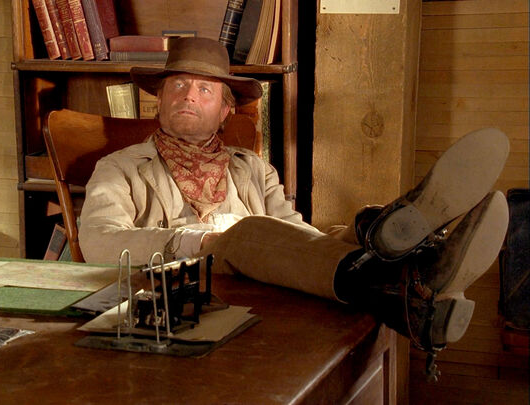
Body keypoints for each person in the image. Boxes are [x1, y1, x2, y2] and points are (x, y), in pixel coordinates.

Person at [78, 37, 509, 377]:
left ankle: (394, 242)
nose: (188, 96)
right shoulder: (120, 168)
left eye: (204, 89)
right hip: (180, 289)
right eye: (178, 86)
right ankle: (405, 276)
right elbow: (98, 241)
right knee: (246, 232)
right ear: (159, 99)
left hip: (262, 289)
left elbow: (297, 238)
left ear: (225, 110)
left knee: (332, 235)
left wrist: (340, 239)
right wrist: (194, 241)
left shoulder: (252, 168)